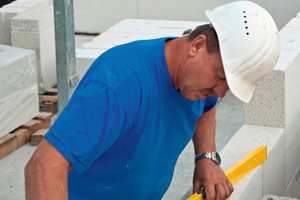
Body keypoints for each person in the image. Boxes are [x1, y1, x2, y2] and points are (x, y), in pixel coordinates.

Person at [25, 1, 280, 200]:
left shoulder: (197, 84)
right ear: (198, 45)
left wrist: (206, 157)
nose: (220, 92)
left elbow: (206, 107)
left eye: (228, 86)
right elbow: (44, 166)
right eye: (220, 76)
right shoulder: (119, 83)